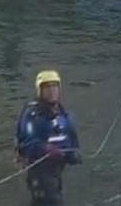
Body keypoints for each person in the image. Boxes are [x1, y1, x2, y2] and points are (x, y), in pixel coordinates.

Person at [15, 70, 81, 206]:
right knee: (50, 201)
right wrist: (46, 149)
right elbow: (28, 144)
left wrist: (72, 153)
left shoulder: (64, 114)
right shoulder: (32, 115)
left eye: (54, 87)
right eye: (47, 88)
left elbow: (71, 137)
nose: (51, 91)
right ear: (40, 90)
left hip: (57, 168)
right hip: (39, 169)